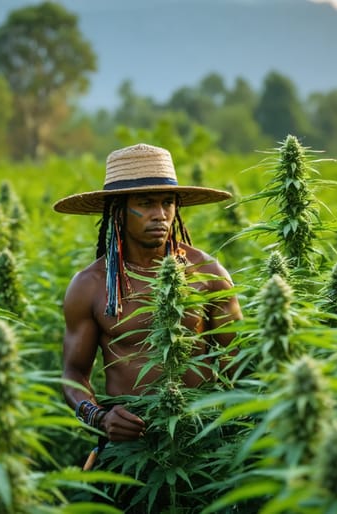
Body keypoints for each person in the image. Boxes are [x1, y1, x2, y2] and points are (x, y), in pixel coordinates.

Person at [54, 143, 243, 452]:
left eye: (168, 203)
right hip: (130, 450)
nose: (160, 215)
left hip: (202, 445)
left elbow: (240, 365)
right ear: (118, 208)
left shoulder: (207, 274)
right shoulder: (90, 285)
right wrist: (100, 418)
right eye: (146, 203)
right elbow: (73, 374)